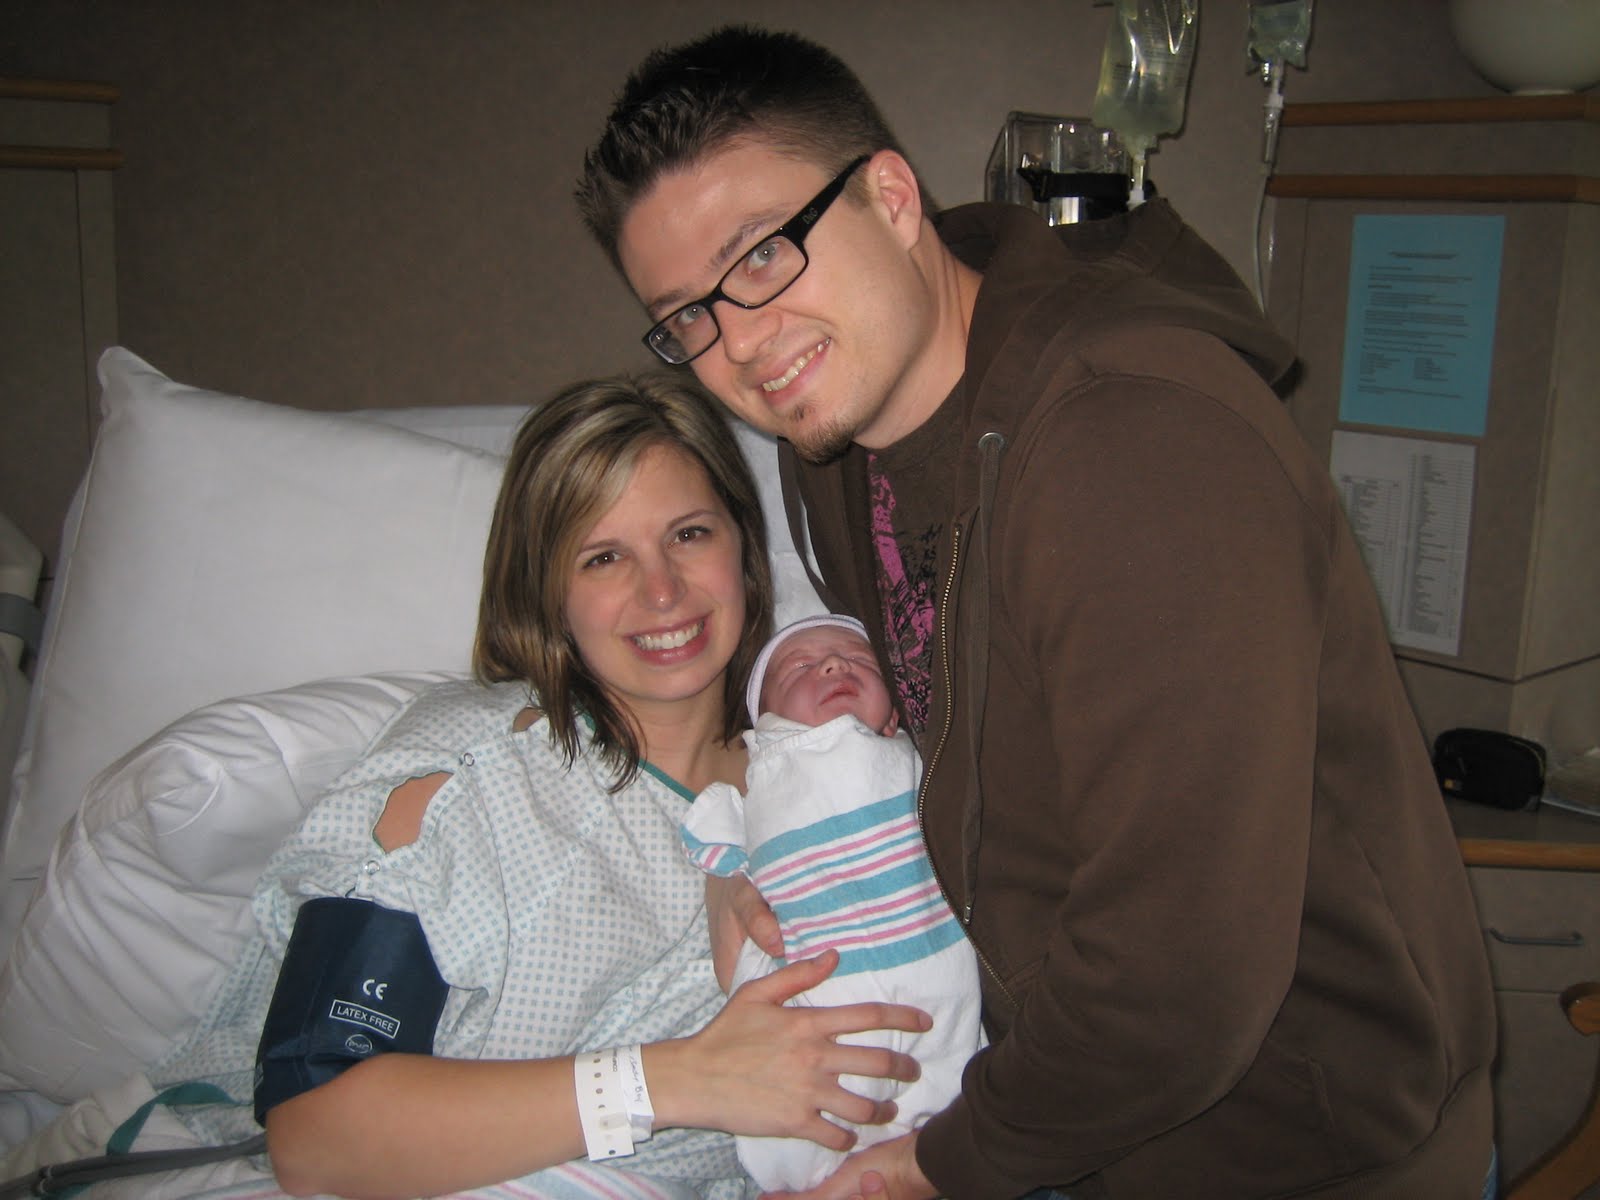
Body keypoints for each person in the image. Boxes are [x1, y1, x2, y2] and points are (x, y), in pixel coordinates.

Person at [576, 25, 1500, 1200]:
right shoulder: (838, 449)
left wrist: (942, 1164)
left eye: (761, 255)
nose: (741, 344)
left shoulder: (1133, 443)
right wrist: (747, 846)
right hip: (1077, 1115)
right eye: (688, 317)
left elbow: (1176, 981)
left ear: (890, 199)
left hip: (1296, 1151)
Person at [4, 373, 933, 1200]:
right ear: (547, 594)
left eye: (688, 534)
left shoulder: (840, 783)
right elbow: (316, 1128)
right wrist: (675, 1080)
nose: (662, 592)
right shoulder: (470, 773)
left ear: (742, 547)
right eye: (602, 556)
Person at [681, 614, 983, 1192]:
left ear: (893, 715)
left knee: (951, 1087)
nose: (833, 664)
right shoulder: (765, 776)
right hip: (823, 996)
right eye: (799, 666)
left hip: (939, 990)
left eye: (861, 660)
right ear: (766, 722)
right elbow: (714, 832)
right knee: (817, 1117)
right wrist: (725, 873)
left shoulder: (914, 759)